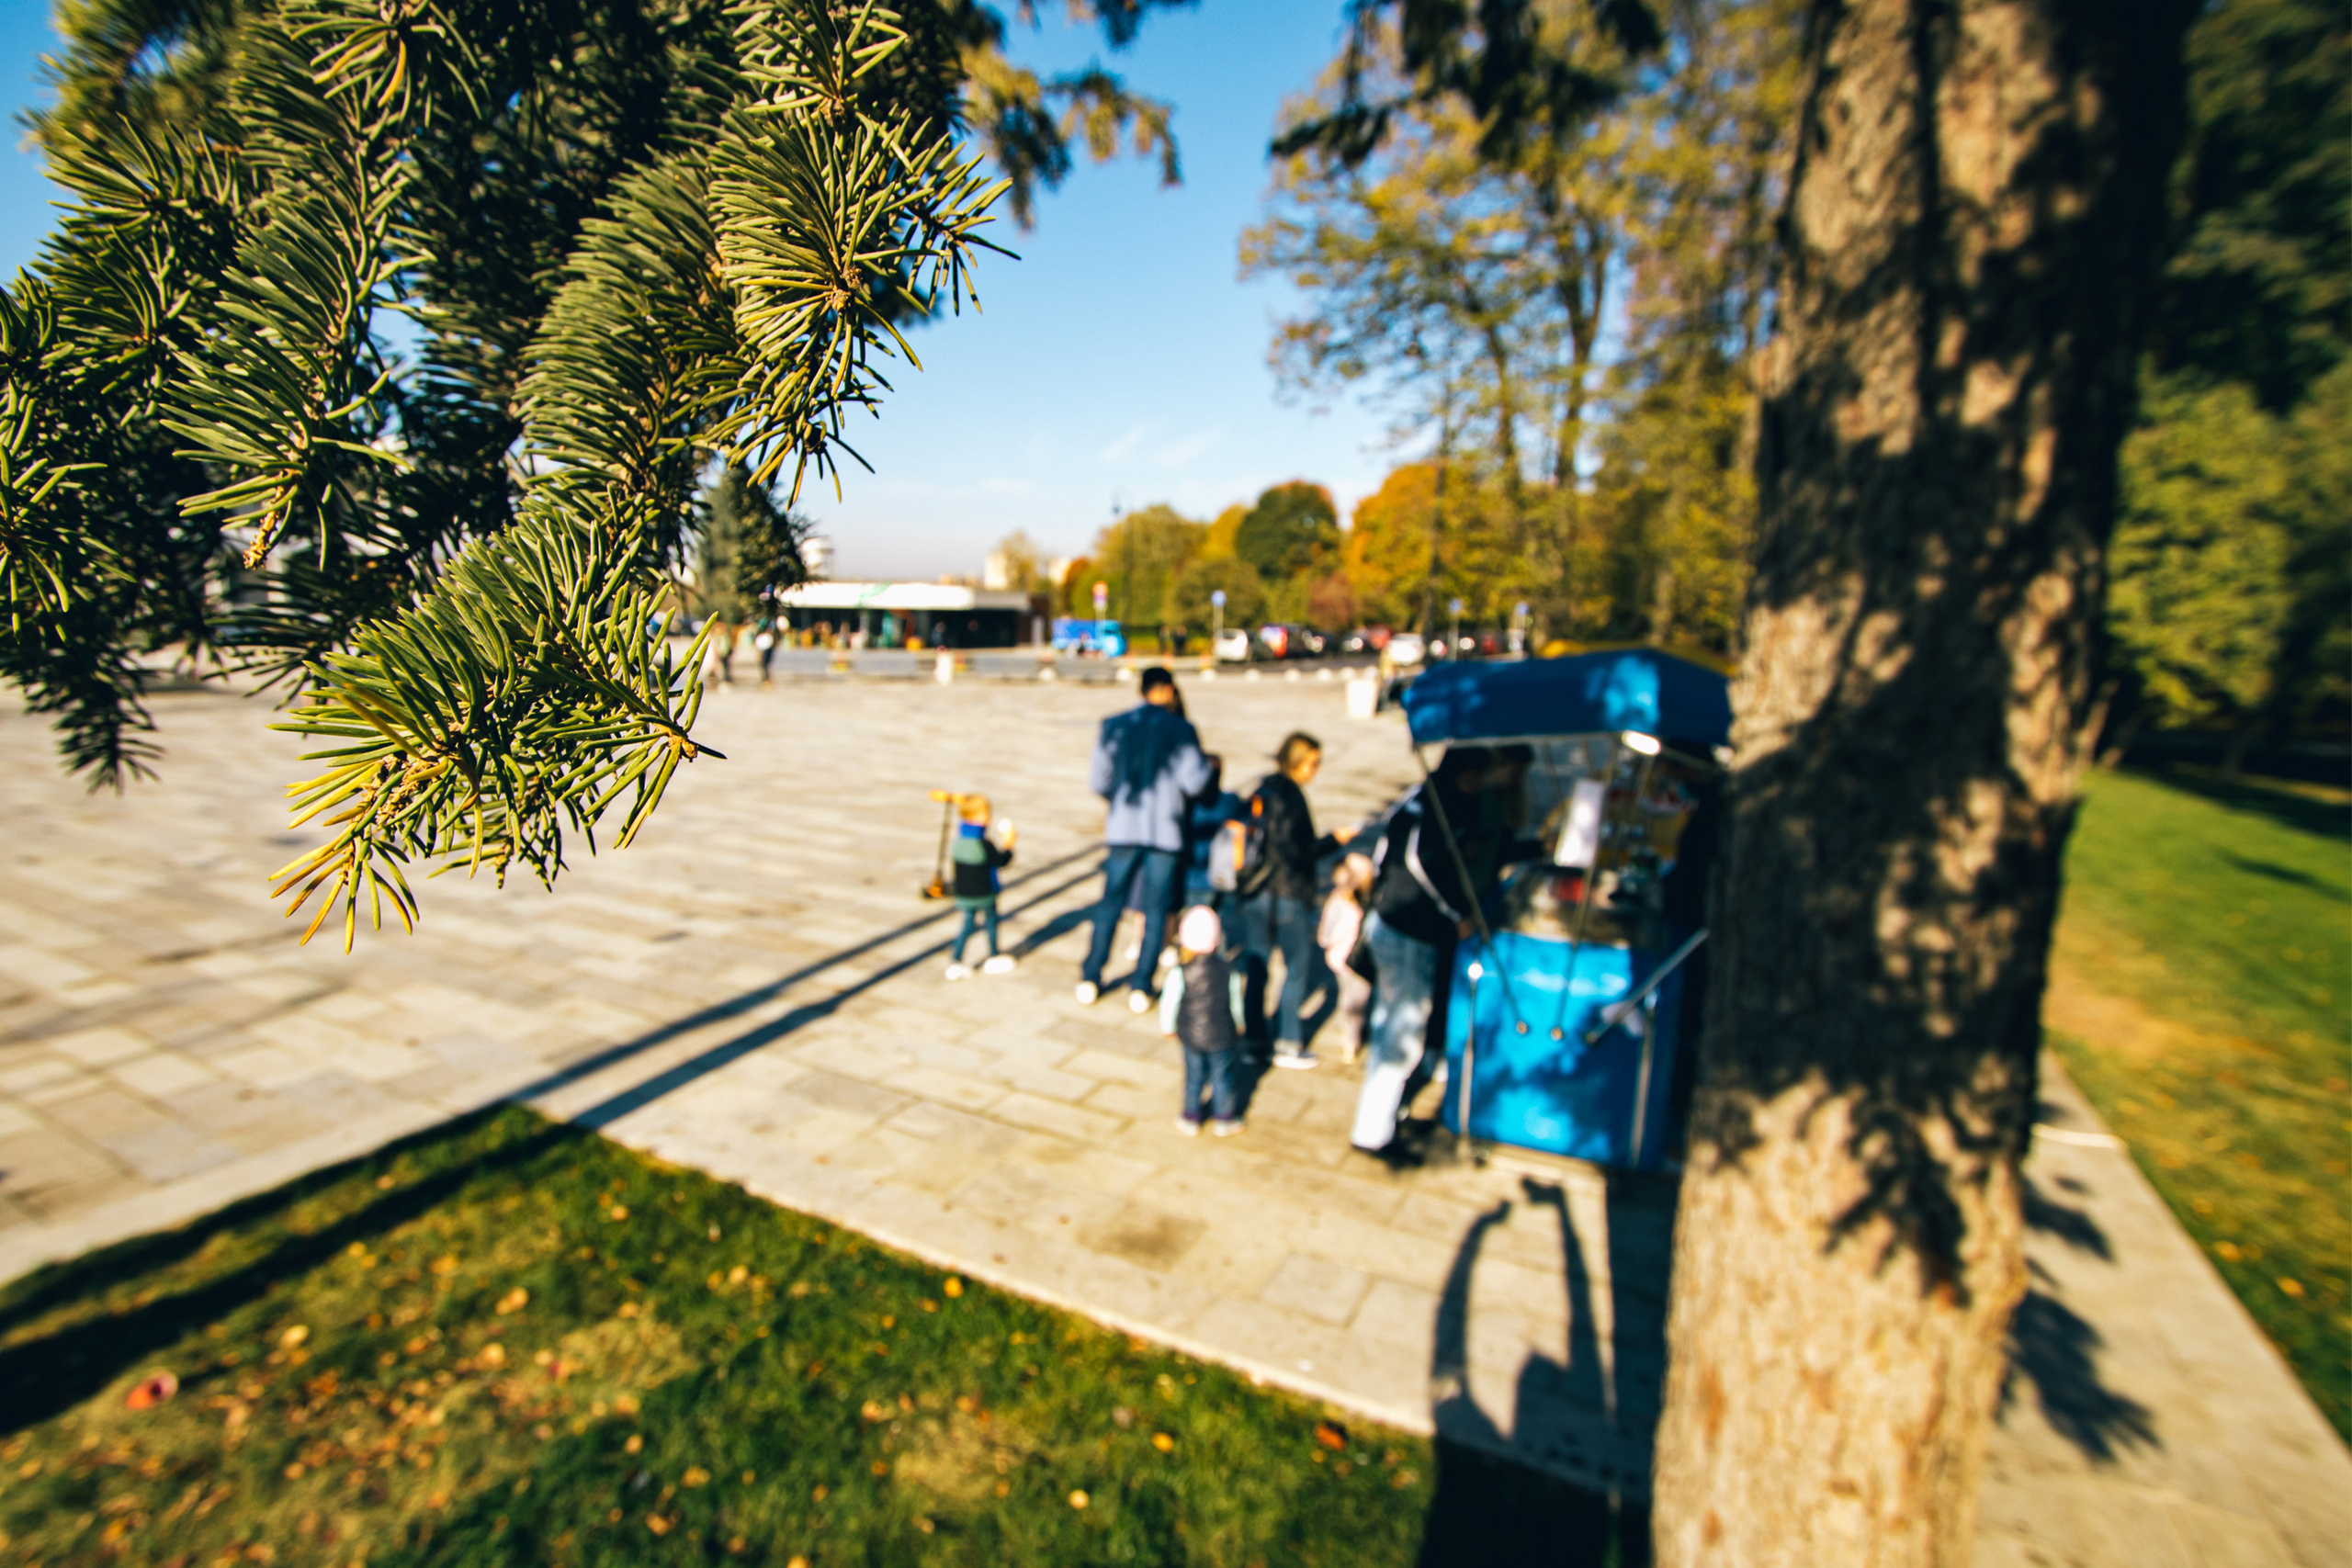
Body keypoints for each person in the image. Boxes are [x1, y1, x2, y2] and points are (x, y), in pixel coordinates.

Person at [1349, 747, 1495, 1154]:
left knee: (1389, 1024)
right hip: (1408, 931)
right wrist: (1455, 911)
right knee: (1401, 1035)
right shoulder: (1437, 806)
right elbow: (1421, 863)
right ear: (1466, 773)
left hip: (1389, 923)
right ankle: (1372, 1132)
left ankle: (1383, 1114)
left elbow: (1387, 853)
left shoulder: (1418, 796)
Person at [1078, 666, 1212, 1011]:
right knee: (1156, 909)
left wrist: (1119, 802)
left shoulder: (1114, 725)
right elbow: (1194, 781)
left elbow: (1099, 780)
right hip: (1165, 831)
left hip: (1123, 827)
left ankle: (1091, 975)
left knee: (1110, 903)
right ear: (1167, 689)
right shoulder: (1181, 729)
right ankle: (1140, 984)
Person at [1240, 731, 1355, 1069]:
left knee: (1257, 967)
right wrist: (1335, 840)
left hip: (1255, 893)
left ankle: (1253, 1040)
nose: (1316, 770)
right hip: (1287, 894)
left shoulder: (1263, 789)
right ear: (1297, 762)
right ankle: (1287, 1041)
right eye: (1313, 763)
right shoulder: (1290, 797)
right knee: (1297, 966)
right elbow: (1298, 852)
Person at [1158, 905, 1244, 1136]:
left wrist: (1167, 1027)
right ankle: (1224, 1118)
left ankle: (1191, 1116)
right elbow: (1236, 1002)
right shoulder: (1229, 970)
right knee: (1222, 1077)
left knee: (1193, 1077)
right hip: (1222, 1035)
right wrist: (1239, 1024)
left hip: (1191, 1036)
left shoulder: (1179, 972)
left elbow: (1169, 1003)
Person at [943, 794, 1019, 981]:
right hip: (985, 894)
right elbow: (1001, 861)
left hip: (964, 894)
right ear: (974, 816)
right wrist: (1009, 844)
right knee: (991, 923)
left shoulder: (958, 841)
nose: (989, 818)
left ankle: (955, 961)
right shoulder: (984, 844)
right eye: (985, 814)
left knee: (966, 927)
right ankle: (993, 956)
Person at [1318, 851, 1375, 1063]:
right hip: (1356, 958)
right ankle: (1352, 1039)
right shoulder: (1362, 903)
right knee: (1357, 1000)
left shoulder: (1336, 899)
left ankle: (1349, 1032)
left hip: (1339, 958)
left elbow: (1325, 934)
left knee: (1348, 996)